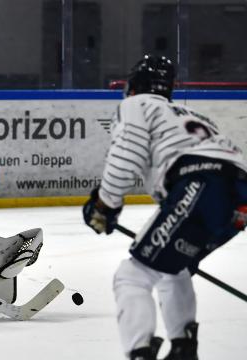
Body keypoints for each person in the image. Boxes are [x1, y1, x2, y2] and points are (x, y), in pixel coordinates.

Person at [82, 54, 247, 360]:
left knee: (131, 275)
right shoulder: (186, 113)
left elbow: (126, 153)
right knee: (173, 268)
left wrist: (105, 205)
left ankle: (139, 352)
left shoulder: (137, 105)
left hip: (202, 183)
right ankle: (184, 348)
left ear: (133, 86)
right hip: (239, 197)